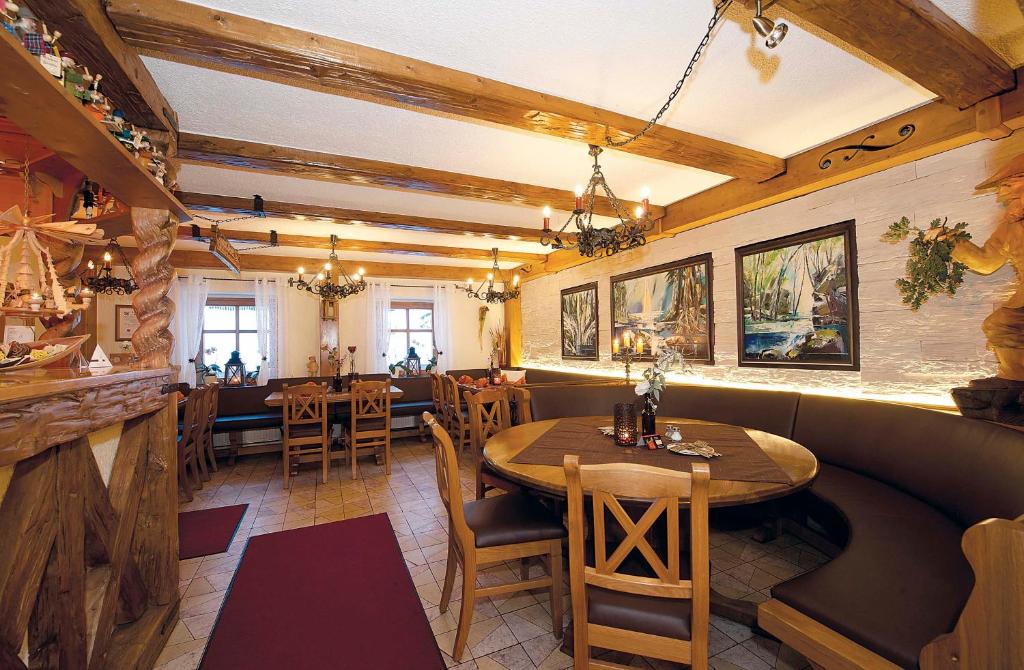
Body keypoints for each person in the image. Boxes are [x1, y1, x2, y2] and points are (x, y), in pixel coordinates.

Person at [949, 154, 1024, 384]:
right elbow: (986, 262)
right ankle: (1014, 380)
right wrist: (950, 241)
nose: (1001, 193)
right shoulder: (1010, 226)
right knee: (1001, 324)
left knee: (1003, 324)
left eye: (1007, 185)